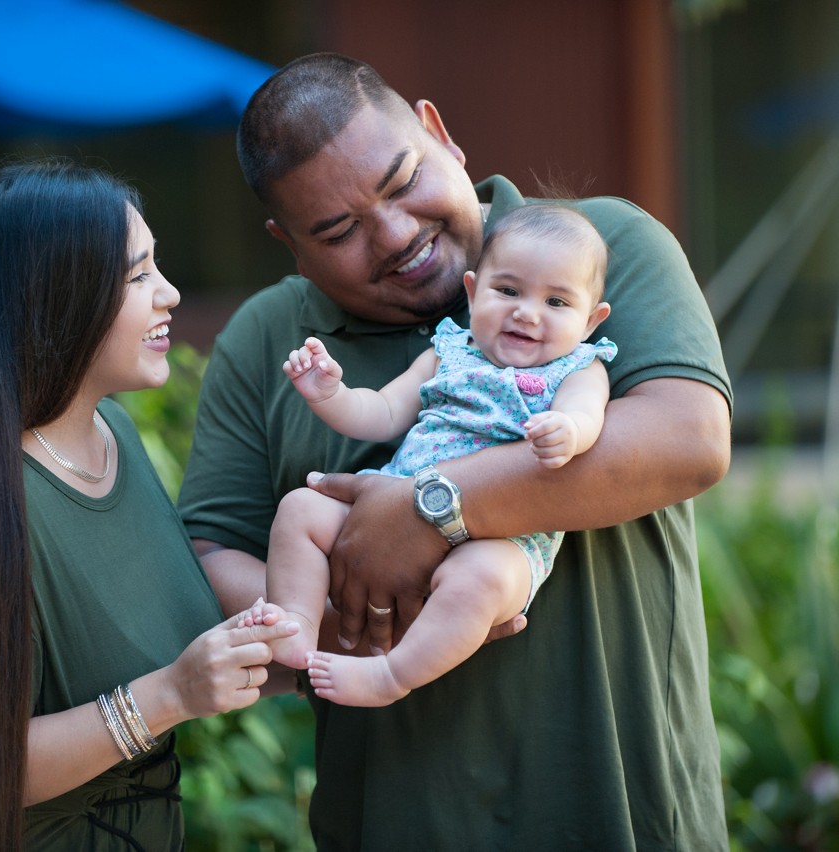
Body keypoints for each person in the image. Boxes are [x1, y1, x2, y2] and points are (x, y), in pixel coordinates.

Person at [177, 53, 733, 848]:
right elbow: (208, 554)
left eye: (403, 182)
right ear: (288, 243)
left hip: (622, 812)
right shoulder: (267, 340)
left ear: (440, 135)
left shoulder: (597, 248)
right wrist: (356, 629)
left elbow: (689, 441)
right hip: (393, 823)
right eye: (338, 231)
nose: (397, 235)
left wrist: (432, 510)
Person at [0, 160, 298, 852]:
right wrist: (168, 695)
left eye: (156, 267)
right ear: (56, 299)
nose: (167, 293)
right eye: (138, 276)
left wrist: (334, 654)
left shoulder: (119, 438)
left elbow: (169, 655)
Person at [252, 203, 615, 707]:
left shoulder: (579, 367)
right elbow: (381, 411)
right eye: (507, 290)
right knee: (301, 509)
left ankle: (391, 676)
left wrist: (568, 430)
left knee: (480, 580)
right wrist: (329, 394)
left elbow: (588, 416)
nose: (526, 312)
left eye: (556, 302)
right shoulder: (448, 353)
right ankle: (295, 625)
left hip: (504, 538)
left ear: (591, 319)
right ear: (472, 291)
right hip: (391, 509)